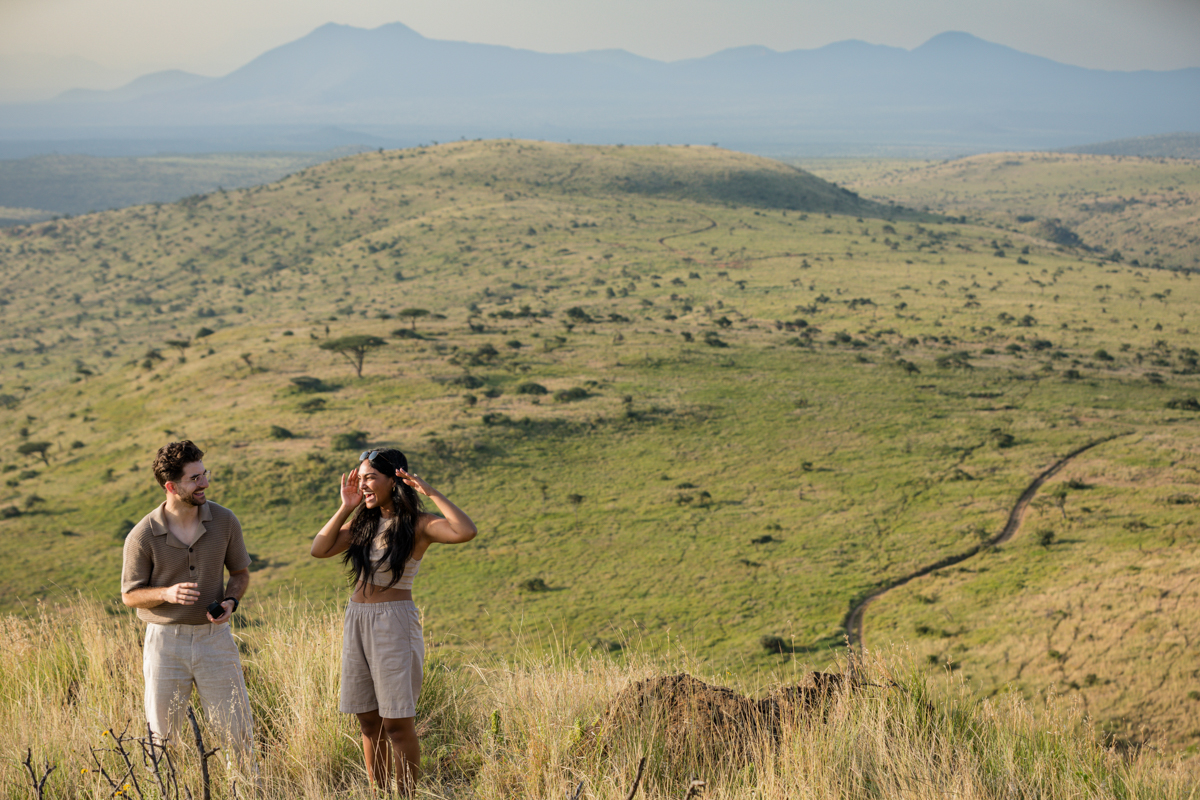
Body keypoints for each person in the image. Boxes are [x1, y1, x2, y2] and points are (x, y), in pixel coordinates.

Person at [310, 448, 477, 795]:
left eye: (369, 477)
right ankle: (380, 793)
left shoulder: (419, 525)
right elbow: (320, 548)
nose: (363, 483)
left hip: (393, 625)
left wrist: (428, 491)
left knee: (397, 725)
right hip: (356, 620)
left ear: (394, 479)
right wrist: (347, 504)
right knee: (368, 722)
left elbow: (465, 531)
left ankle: (407, 795)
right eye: (360, 476)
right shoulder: (362, 523)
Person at [120, 440, 253, 756]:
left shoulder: (225, 520)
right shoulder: (142, 535)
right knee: (162, 741)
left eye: (204, 474)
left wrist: (230, 602)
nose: (205, 483)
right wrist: (166, 593)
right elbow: (129, 595)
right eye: (194, 479)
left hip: (216, 641)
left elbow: (240, 574)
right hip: (165, 644)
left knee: (238, 735)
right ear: (170, 485)